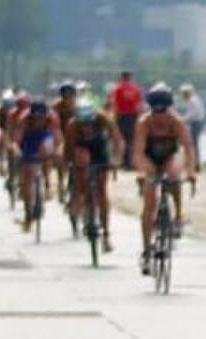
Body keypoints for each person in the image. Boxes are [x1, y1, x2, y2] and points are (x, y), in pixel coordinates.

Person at [131, 84, 196, 272]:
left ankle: (178, 215)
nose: (160, 116)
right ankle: (146, 249)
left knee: (174, 174)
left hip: (169, 156)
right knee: (149, 204)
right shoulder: (144, 122)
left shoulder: (177, 122)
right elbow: (138, 152)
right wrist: (142, 172)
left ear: (169, 107)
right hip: (150, 158)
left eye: (164, 110)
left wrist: (191, 172)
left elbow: (188, 149)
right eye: (156, 110)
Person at [64, 100, 123, 252]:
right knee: (80, 162)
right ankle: (82, 199)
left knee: (102, 192)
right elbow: (68, 150)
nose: (87, 128)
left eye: (89, 124)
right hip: (80, 148)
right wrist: (68, 167)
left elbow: (117, 140)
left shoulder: (104, 118)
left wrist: (116, 159)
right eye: (83, 125)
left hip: (99, 148)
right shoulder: (72, 126)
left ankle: (106, 235)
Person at [9, 97, 60, 229]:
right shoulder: (24, 119)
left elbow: (58, 139)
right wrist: (17, 151)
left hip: (45, 137)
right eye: (36, 118)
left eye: (41, 118)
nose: (38, 120)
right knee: (27, 177)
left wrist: (56, 152)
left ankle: (47, 183)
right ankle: (28, 214)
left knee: (46, 150)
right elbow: (16, 140)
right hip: (29, 140)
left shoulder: (52, 118)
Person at [109, 71, 144, 170]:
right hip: (133, 116)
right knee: (131, 140)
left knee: (120, 139)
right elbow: (139, 105)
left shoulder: (118, 88)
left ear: (122, 77)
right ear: (130, 77)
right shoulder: (136, 88)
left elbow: (115, 104)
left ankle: (122, 162)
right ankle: (130, 162)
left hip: (121, 116)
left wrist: (114, 117)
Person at [51, 82, 78, 200]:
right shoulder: (55, 108)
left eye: (70, 96)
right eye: (65, 97)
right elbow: (54, 125)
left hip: (75, 134)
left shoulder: (78, 108)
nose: (68, 99)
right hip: (59, 133)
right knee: (61, 157)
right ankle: (61, 182)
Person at [179, 83, 206, 165]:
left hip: (195, 123)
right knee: (194, 143)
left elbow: (193, 114)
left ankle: (194, 163)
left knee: (192, 144)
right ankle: (195, 162)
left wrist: (183, 119)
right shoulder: (195, 100)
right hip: (197, 123)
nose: (182, 96)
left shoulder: (192, 101)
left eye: (183, 94)